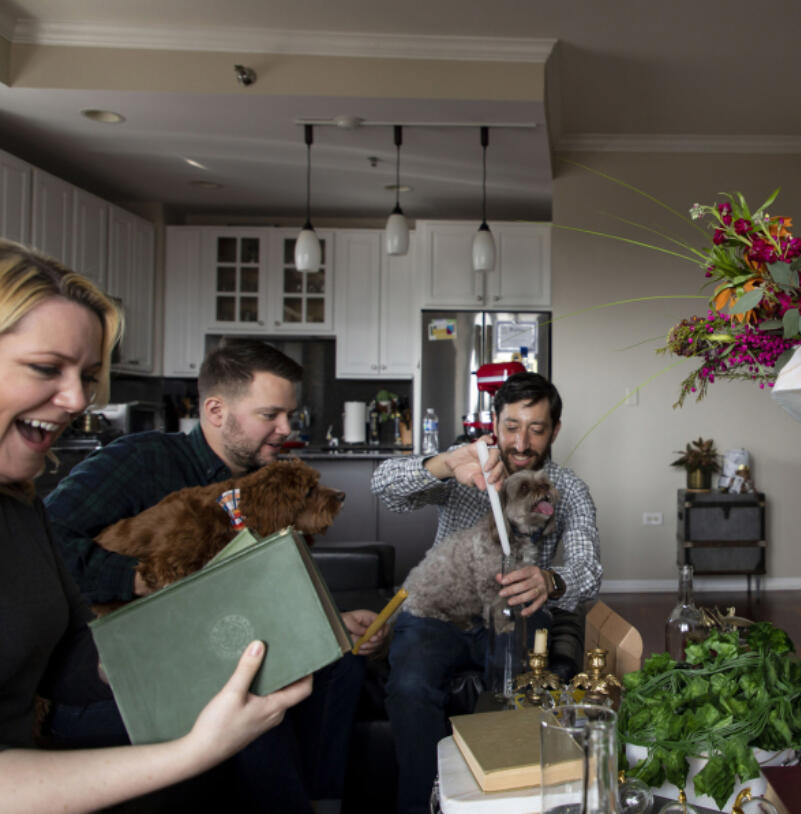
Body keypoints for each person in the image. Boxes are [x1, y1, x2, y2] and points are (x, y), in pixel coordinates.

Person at [0, 240, 313, 814]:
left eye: (89, 376)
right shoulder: (143, 461)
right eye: (46, 368)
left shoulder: (21, 509)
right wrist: (195, 746)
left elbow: (73, 659)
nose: (76, 400)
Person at [44, 337, 386, 811]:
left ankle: (323, 801)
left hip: (219, 650)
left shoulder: (265, 490)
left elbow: (252, 592)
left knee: (343, 663)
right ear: (216, 409)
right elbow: (44, 540)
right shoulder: (143, 461)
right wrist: (141, 580)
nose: (287, 429)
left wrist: (328, 619)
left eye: (289, 415)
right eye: (270, 415)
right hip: (124, 670)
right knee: (253, 706)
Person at [372, 372, 601, 814]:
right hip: (439, 614)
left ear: (554, 430)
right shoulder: (464, 470)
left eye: (536, 429)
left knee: (515, 694)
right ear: (494, 424)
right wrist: (445, 463)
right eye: (512, 427)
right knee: (410, 686)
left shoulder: (568, 490)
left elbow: (588, 565)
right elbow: (384, 486)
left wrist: (551, 579)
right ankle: (421, 805)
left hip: (517, 615)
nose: (521, 442)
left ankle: (504, 800)